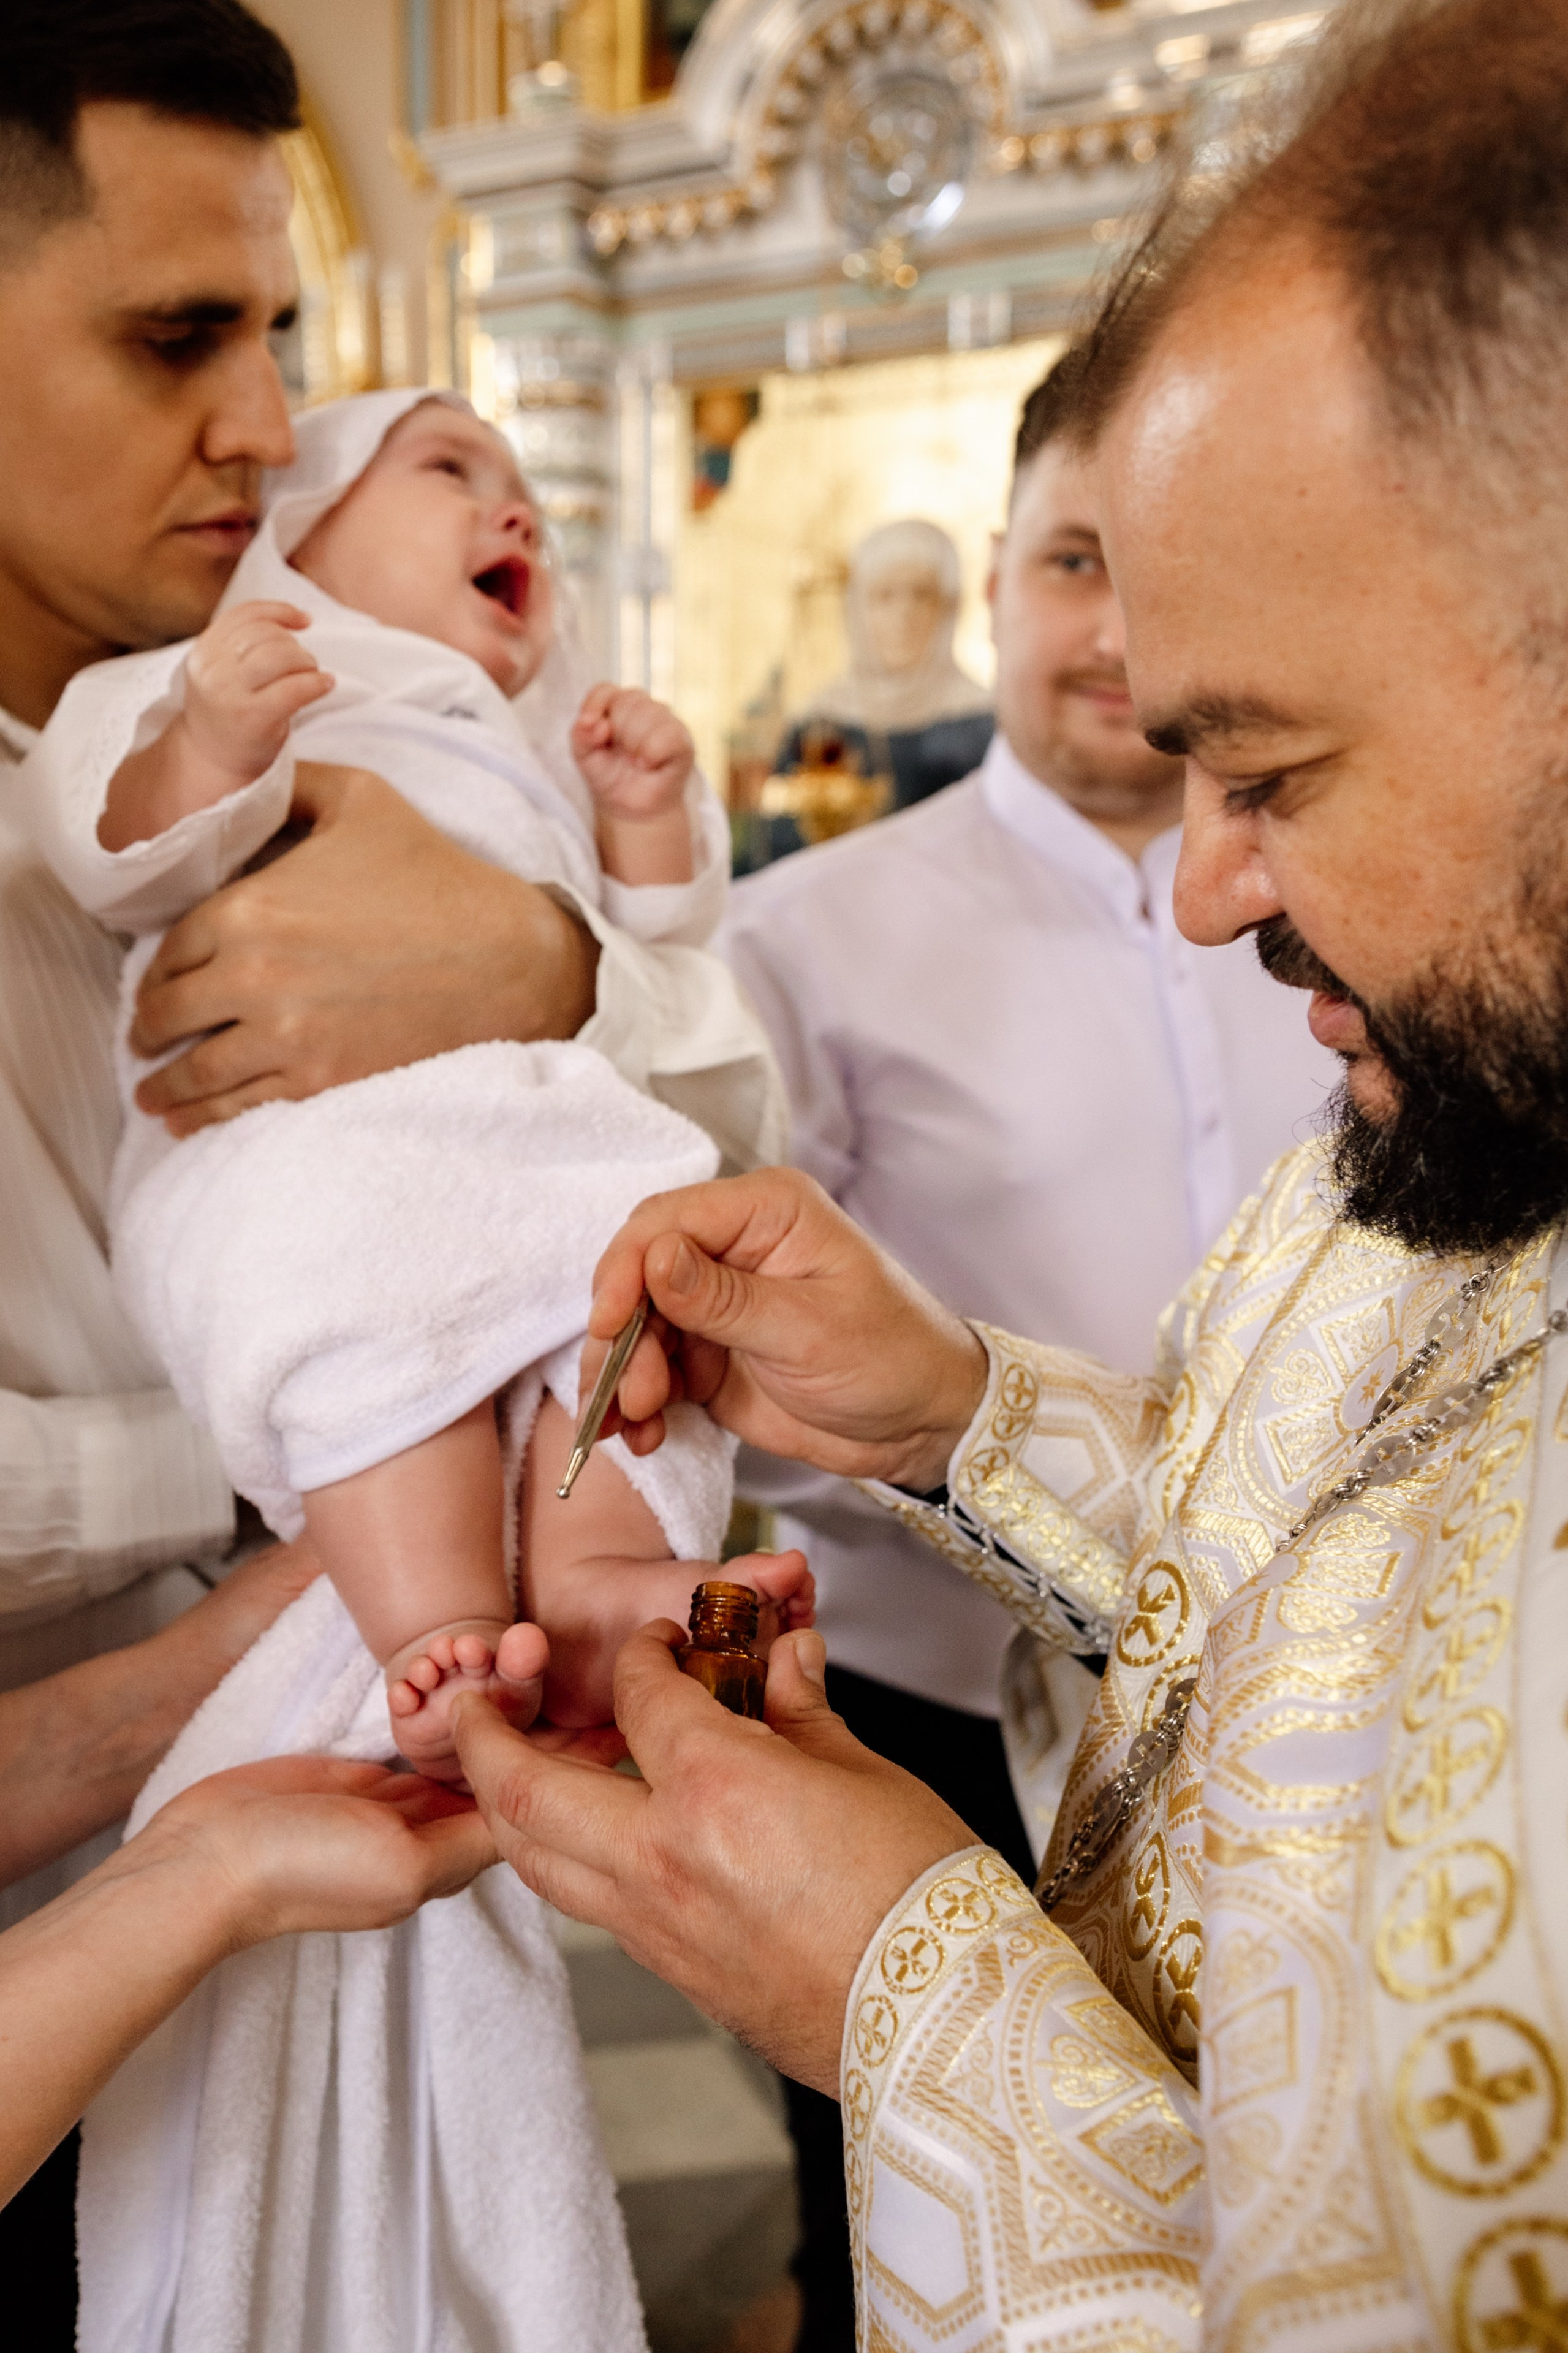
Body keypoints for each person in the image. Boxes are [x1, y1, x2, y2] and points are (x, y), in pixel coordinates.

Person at [451, 0, 1568, 2343]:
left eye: (1269, 767)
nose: (1202, 889)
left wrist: (905, 1982)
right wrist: (958, 1411)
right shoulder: (1460, 1095)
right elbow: (1366, 1600)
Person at [0, 0, 780, 1902]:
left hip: (409, 1847)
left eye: (279, 337)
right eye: (175, 336)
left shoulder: (383, 725)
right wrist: (336, 1416)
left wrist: (546, 967)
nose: (268, 430)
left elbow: (740, 1160)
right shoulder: (148, 770)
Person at [720, 356, 1333, 2343]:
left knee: (1279, 2171)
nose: (1115, 629)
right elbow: (743, 1358)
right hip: (935, 1701)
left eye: (1165, 570)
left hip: (1304, 1698)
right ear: (992, 569)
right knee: (914, 2216)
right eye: (1073, 561)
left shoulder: (1348, 904)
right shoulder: (803, 931)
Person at [28, 389, 807, 1776]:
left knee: (624, 1306)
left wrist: (636, 818)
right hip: (309, 1139)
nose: (515, 514)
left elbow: (664, 943)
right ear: (299, 542)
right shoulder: (236, 676)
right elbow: (118, 853)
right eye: (448, 468)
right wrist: (208, 743)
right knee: (375, 1326)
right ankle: (436, 1629)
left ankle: (596, 1582)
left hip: (523, 1123)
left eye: (530, 500)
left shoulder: (526, 738)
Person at [765, 519, 993, 860]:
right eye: (885, 596)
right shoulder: (820, 723)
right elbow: (778, 846)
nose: (904, 614)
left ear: (948, 608)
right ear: (858, 608)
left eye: (922, 596)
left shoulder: (985, 722)